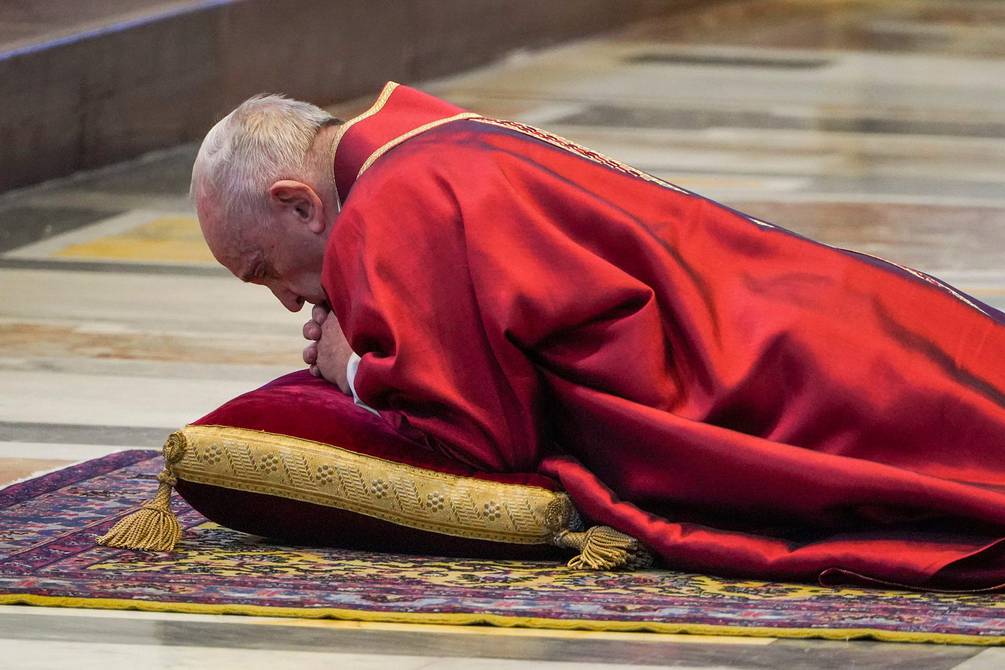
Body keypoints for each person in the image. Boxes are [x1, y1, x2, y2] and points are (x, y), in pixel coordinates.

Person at [191, 81, 1005, 590]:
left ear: (299, 203)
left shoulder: (395, 207)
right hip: (799, 303)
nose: (288, 302)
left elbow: (479, 436)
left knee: (964, 447)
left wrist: (352, 371)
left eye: (264, 269)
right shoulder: (424, 136)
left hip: (759, 373)